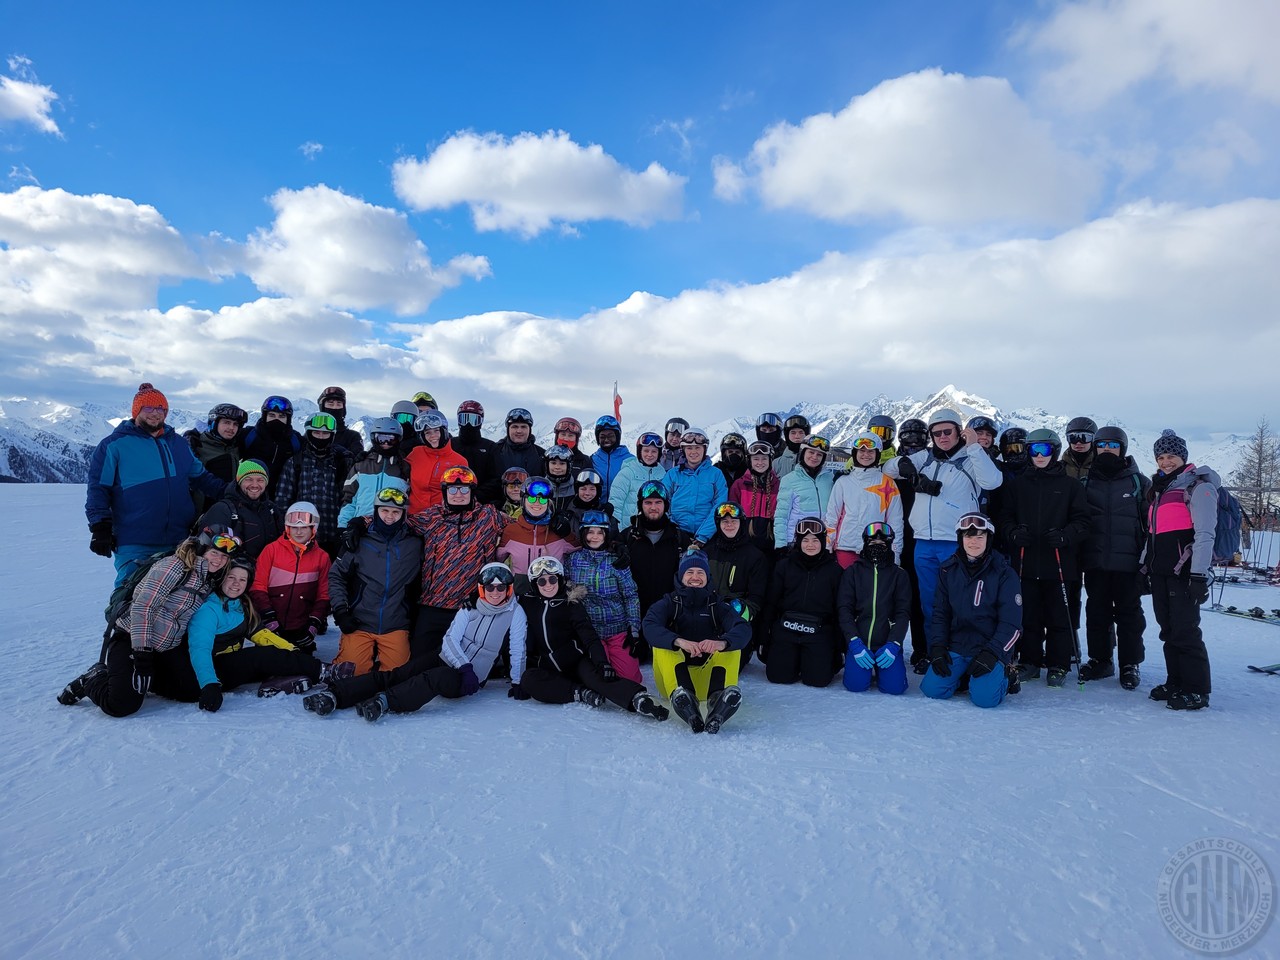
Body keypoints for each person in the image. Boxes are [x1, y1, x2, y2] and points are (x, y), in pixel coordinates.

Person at [304, 563, 527, 722]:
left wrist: (517, 681)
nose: (495, 592)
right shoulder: (470, 606)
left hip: (466, 679)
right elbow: (450, 639)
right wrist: (464, 666)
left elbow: (518, 648)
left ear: (508, 589)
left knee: (433, 678)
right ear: (482, 588)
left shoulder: (515, 612)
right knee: (399, 674)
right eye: (490, 587)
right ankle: (336, 694)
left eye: (501, 587)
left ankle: (386, 702)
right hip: (449, 659)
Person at [59, 529, 239, 717]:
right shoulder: (174, 567)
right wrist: (142, 655)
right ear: (202, 549)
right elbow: (143, 608)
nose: (219, 560)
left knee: (192, 691)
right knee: (121, 704)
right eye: (214, 553)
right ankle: (92, 679)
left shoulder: (208, 579)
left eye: (224, 557)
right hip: (132, 638)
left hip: (167, 646)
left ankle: (142, 681)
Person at [149, 555, 344, 711]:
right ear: (221, 579)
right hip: (197, 680)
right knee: (258, 657)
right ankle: (324, 672)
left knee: (267, 654)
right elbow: (200, 649)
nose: (236, 583)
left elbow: (260, 634)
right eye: (231, 577)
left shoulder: (241, 606)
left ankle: (282, 678)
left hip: (219, 670)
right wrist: (209, 685)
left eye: (242, 579)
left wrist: (293, 651)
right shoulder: (208, 609)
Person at [87, 383, 227, 588]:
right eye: (148, 408)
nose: (155, 413)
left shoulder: (178, 444)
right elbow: (99, 488)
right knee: (130, 600)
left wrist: (231, 492)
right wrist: (100, 526)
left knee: (176, 601)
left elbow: (201, 478)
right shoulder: (113, 445)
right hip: (135, 542)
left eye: (160, 408)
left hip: (179, 541)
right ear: (137, 411)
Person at [884, 409, 1003, 630]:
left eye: (948, 431)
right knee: (929, 603)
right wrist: (906, 467)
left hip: (956, 542)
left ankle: (959, 652)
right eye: (936, 433)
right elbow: (888, 469)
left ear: (960, 432)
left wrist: (975, 446)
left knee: (960, 601)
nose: (942, 437)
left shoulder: (971, 458)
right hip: (923, 542)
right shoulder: (925, 457)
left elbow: (992, 481)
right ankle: (935, 654)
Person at [511, 556, 668, 720]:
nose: (548, 585)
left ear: (559, 579)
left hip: (575, 661)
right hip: (547, 664)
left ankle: (638, 700)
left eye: (552, 579)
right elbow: (505, 602)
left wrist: (602, 663)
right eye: (542, 582)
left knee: (597, 678)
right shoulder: (527, 602)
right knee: (529, 680)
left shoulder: (570, 604)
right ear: (535, 584)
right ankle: (580, 693)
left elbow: (589, 636)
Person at [999, 429, 1090, 686]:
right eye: (1033, 450)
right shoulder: (1018, 485)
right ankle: (1030, 661)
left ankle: (1058, 664)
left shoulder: (1069, 485)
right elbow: (1004, 518)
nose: (1039, 456)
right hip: (1026, 561)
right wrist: (1013, 533)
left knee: (1060, 616)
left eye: (1045, 450)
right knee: (1029, 616)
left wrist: (1066, 535)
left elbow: (1083, 521)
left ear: (1055, 451)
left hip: (1060, 562)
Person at [1145, 429, 1219, 711]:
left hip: (1185, 572)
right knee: (1168, 630)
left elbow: (1204, 534)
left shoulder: (1198, 487)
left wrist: (1199, 575)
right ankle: (1176, 681)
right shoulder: (1161, 490)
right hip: (1161, 571)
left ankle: (1197, 690)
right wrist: (1145, 568)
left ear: (1183, 457)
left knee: (1186, 631)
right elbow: (1151, 535)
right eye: (1161, 456)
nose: (1165, 461)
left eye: (1171, 455)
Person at [643, 552, 751, 733]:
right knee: (664, 646)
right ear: (681, 576)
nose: (695, 577)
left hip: (709, 682)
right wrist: (678, 641)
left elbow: (743, 628)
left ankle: (717, 702)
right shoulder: (669, 603)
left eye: (700, 573)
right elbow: (649, 625)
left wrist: (722, 643)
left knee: (731, 646)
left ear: (707, 577)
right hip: (673, 683)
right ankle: (685, 701)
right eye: (689, 572)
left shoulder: (717, 605)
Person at [920, 513, 1020, 708]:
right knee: (932, 690)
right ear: (960, 538)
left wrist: (993, 653)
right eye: (968, 536)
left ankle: (1007, 677)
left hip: (989, 647)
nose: (973, 542)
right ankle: (965, 676)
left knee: (984, 700)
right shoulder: (948, 569)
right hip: (958, 645)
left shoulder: (1004, 573)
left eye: (980, 537)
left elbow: (1012, 624)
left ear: (988, 539)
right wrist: (938, 647)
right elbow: (941, 613)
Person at [405, 465, 504, 659]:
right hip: (434, 603)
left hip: (472, 606)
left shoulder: (489, 516)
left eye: (464, 489)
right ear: (445, 491)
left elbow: (525, 526)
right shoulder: (432, 517)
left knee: (466, 667)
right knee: (419, 661)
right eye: (452, 489)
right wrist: (362, 523)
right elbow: (393, 520)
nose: (458, 494)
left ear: (472, 491)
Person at [1078, 426, 1149, 690]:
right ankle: (1101, 660)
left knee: (1130, 616)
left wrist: (1147, 561)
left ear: (1123, 449)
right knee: (1097, 612)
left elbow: (1150, 525)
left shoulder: (1139, 483)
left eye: (1113, 445)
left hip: (1129, 564)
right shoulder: (1085, 483)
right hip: (1096, 562)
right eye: (1102, 444)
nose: (1107, 449)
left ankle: (1130, 663)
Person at [329, 487, 423, 675]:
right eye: (384, 510)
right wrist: (340, 611)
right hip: (359, 622)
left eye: (396, 512)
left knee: (397, 678)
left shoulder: (415, 543)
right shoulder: (358, 539)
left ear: (403, 514)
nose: (389, 517)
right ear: (375, 511)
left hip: (395, 624)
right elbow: (336, 576)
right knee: (351, 674)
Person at [761, 517, 843, 686]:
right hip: (786, 627)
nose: (810, 545)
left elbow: (839, 609)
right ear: (798, 541)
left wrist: (838, 646)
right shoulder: (783, 566)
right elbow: (771, 602)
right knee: (778, 677)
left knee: (818, 680)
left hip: (819, 630)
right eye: (805, 540)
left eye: (815, 540)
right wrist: (764, 636)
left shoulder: (834, 570)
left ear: (822, 541)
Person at [565, 510, 643, 683]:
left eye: (600, 532)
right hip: (590, 633)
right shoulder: (573, 560)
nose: (595, 537)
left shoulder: (616, 560)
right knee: (598, 675)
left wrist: (634, 628)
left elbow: (630, 595)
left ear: (606, 534)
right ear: (583, 534)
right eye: (590, 532)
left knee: (631, 679)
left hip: (617, 629)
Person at [836, 522, 911, 694]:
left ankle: (888, 666)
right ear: (864, 544)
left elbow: (903, 612)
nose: (877, 547)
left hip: (887, 645)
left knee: (894, 688)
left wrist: (894, 644)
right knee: (856, 686)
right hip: (860, 645)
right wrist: (854, 643)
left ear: (890, 546)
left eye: (882, 544)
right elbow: (844, 609)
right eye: (872, 543)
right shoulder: (852, 573)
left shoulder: (899, 575)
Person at [249, 502, 332, 653]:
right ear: (287, 528)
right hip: (272, 625)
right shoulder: (271, 550)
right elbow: (258, 585)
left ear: (313, 529)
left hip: (301, 628)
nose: (298, 532)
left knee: (300, 669)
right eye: (294, 527)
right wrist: (268, 617)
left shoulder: (322, 557)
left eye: (304, 528)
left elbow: (324, 595)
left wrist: (314, 624)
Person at [275, 412, 355, 559]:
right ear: (309, 434)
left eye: (325, 433)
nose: (320, 437)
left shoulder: (343, 461)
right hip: (303, 537)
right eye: (316, 433)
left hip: (335, 535)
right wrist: (287, 533)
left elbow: (351, 498)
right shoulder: (295, 462)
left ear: (332, 435)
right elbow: (282, 501)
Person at [618, 481, 691, 632]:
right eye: (648, 502)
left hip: (669, 615)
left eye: (658, 502)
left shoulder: (679, 538)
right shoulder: (627, 537)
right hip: (635, 615)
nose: (653, 507)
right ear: (640, 505)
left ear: (666, 506)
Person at [825, 432, 903, 568]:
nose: (866, 455)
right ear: (854, 453)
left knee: (869, 588)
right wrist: (827, 546)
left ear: (877, 454)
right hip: (845, 547)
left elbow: (895, 522)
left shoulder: (888, 484)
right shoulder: (843, 481)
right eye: (861, 450)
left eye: (871, 451)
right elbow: (832, 516)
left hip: (876, 548)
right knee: (845, 587)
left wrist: (895, 553)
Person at [497, 475, 576, 594]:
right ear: (523, 500)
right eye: (532, 499)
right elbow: (495, 560)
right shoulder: (511, 531)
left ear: (548, 503)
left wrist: (566, 530)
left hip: (551, 594)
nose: (537, 503)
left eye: (543, 499)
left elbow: (583, 551)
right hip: (521, 595)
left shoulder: (559, 531)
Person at [893, 418, 929, 671]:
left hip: (922, 538)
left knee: (921, 597)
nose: (913, 443)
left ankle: (922, 648)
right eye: (908, 438)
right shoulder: (895, 466)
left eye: (918, 438)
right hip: (896, 538)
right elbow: (886, 468)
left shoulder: (932, 463)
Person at [197, 459, 285, 559]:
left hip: (265, 571)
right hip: (234, 573)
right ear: (239, 481)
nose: (255, 485)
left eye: (260, 480)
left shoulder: (271, 509)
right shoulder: (223, 509)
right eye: (249, 479)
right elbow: (204, 552)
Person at [701, 502, 768, 632]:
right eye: (724, 521)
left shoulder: (755, 557)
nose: (729, 525)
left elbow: (757, 597)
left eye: (734, 521)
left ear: (741, 523)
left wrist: (737, 618)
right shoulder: (707, 552)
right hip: (705, 620)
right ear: (718, 524)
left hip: (736, 624)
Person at [337, 416, 410, 528]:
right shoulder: (361, 466)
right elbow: (349, 500)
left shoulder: (404, 469)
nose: (385, 443)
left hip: (391, 528)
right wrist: (343, 527)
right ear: (373, 439)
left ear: (398, 440)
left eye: (391, 439)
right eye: (381, 439)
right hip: (359, 528)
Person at [662, 427, 728, 545]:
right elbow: (663, 502)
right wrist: (674, 530)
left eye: (697, 447)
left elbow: (719, 506)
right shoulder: (673, 474)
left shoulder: (715, 474)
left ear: (704, 449)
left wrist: (703, 536)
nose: (693, 452)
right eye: (689, 448)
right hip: (675, 535)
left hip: (708, 537)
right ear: (683, 450)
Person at [774, 436, 835, 553]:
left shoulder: (830, 479)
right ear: (803, 453)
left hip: (822, 540)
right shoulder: (789, 479)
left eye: (819, 454)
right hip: (797, 540)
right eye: (811, 452)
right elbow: (781, 516)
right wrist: (781, 545)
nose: (814, 457)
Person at [186, 402, 247, 513]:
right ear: (214, 423)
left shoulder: (236, 447)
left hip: (231, 512)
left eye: (235, 424)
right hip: (202, 515)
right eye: (226, 422)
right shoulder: (197, 446)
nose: (231, 428)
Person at [405, 410, 468, 515]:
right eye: (427, 432)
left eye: (436, 431)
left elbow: (463, 494)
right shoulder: (416, 453)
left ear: (444, 431)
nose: (432, 436)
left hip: (441, 519)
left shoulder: (459, 461)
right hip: (413, 517)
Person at [241, 396, 303, 498]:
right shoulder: (249, 436)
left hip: (281, 496)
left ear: (288, 419)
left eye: (281, 416)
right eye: (272, 415)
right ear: (264, 416)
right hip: (249, 494)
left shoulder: (295, 441)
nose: (276, 420)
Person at [730, 441, 780, 556]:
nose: (760, 463)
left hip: (770, 545)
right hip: (744, 543)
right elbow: (732, 513)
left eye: (764, 459)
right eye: (756, 459)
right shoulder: (740, 485)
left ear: (770, 461)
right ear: (750, 461)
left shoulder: (778, 486)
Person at [609, 431, 665, 528]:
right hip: (628, 529)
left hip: (653, 529)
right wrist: (617, 529)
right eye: (646, 451)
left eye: (654, 451)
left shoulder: (662, 474)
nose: (650, 454)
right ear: (640, 452)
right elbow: (616, 502)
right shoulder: (628, 472)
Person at [453, 400, 499, 502]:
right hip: (452, 498)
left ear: (481, 422)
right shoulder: (451, 444)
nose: (468, 424)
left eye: (474, 420)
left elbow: (495, 479)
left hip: (480, 502)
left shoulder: (490, 447)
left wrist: (476, 496)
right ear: (458, 420)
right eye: (464, 419)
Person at [493, 407, 546, 478]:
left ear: (529, 430)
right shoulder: (495, 452)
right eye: (515, 427)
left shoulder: (541, 455)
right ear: (508, 429)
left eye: (523, 427)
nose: (519, 431)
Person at [590, 415, 632, 501]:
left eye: (610, 436)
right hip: (597, 510)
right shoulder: (592, 460)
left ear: (617, 437)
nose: (606, 440)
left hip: (621, 511)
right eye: (602, 437)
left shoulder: (630, 460)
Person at [316, 386, 365, 458]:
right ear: (322, 407)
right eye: (330, 404)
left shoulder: (352, 437)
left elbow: (357, 463)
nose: (335, 407)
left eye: (339, 404)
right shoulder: (313, 433)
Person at [1062, 416, 1098, 482]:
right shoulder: (1060, 468)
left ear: (1093, 440)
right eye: (1073, 438)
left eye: (1084, 438)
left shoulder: (1101, 466)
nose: (1078, 443)